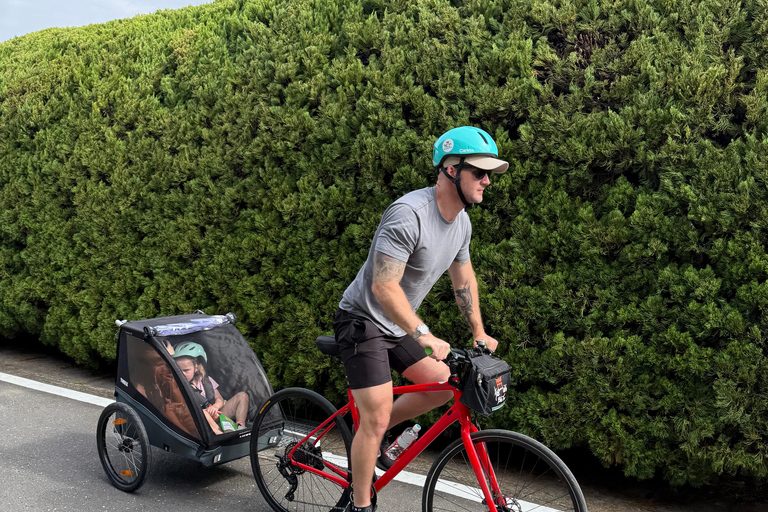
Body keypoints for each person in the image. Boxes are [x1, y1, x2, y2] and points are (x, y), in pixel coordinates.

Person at [334, 126, 508, 512]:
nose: (487, 181)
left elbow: (463, 278)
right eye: (479, 172)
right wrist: (423, 333)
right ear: (450, 169)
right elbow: (383, 286)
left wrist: (478, 330)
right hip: (362, 321)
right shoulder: (409, 214)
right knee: (375, 415)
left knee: (444, 384)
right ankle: (359, 504)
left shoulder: (462, 223)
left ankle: (376, 433)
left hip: (397, 325)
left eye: (490, 174)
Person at [171, 342, 249, 434]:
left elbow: (219, 398)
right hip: (203, 421)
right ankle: (220, 434)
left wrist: (215, 407)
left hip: (218, 414)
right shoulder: (178, 388)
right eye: (179, 371)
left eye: (186, 370)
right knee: (203, 413)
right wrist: (207, 412)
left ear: (196, 368)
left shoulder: (206, 381)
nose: (182, 374)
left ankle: (240, 425)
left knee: (242, 396)